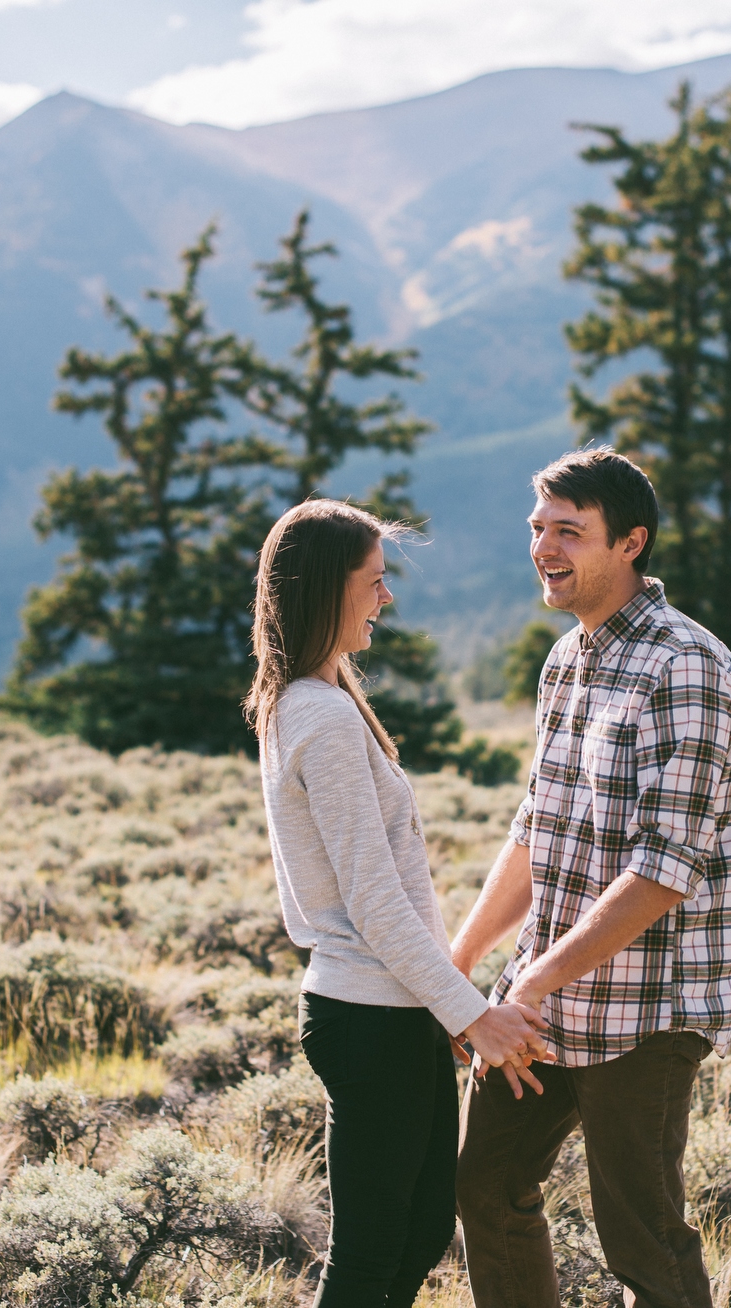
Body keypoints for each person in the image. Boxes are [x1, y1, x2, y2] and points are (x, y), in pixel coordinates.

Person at [449, 449, 731, 1308]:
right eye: (538, 529)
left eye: (569, 532)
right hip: (542, 1006)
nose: (545, 547)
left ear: (630, 543)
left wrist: (533, 982)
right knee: (486, 1188)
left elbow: (663, 872)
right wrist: (460, 961)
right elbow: (536, 831)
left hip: (646, 1014)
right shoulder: (565, 662)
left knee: (643, 1240)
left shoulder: (685, 665)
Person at [246, 498, 553, 1308]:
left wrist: (437, 1007)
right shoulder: (320, 717)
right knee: (374, 1251)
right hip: (368, 1015)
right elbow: (376, 905)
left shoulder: (315, 701)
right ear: (324, 590)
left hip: (391, 1009)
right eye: (374, 582)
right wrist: (469, 1014)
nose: (386, 599)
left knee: (416, 1233)